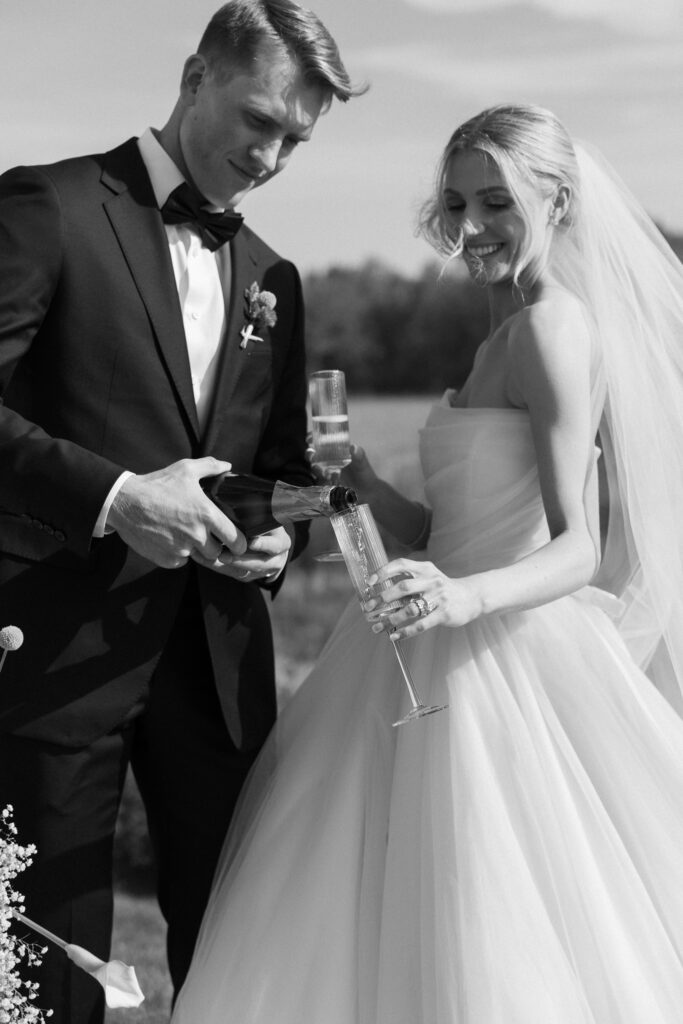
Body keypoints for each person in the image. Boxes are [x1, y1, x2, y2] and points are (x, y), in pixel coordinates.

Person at [171, 104, 683, 1023]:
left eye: (497, 201)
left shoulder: (551, 332)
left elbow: (579, 547)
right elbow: (441, 529)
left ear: (557, 202)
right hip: (419, 633)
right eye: (456, 202)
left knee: (484, 919)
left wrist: (461, 597)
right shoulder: (501, 329)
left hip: (501, 659)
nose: (470, 226)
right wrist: (360, 483)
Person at [0, 2, 362, 1021]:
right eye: (259, 120)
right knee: (49, 960)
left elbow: (281, 468)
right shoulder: (49, 206)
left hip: (216, 666)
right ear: (196, 75)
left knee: (244, 950)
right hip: (51, 658)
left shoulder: (273, 281)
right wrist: (118, 497)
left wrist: (277, 539)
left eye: (296, 138)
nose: (274, 156)